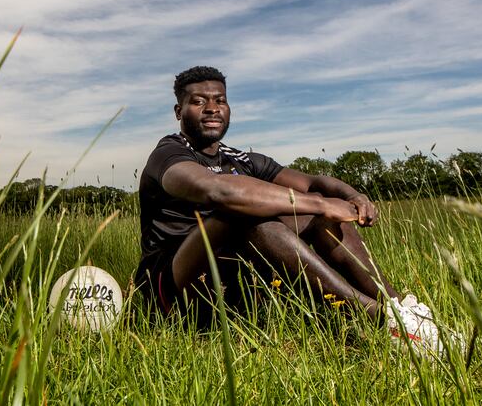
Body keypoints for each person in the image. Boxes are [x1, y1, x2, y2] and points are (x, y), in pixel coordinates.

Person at [136, 66, 449, 355]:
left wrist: (353, 195)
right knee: (243, 211)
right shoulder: (168, 154)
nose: (212, 108)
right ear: (179, 111)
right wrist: (322, 202)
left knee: (315, 216)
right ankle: (380, 320)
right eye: (198, 101)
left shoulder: (243, 159)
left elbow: (313, 181)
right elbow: (218, 190)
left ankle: (399, 307)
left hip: (233, 281)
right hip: (174, 285)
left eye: (220, 100)